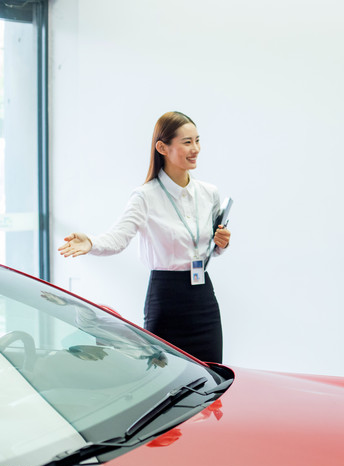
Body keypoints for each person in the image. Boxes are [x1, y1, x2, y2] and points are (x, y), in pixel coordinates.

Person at [58, 111, 231, 363]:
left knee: (213, 375)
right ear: (162, 147)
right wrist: (92, 242)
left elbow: (211, 248)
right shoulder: (145, 196)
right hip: (166, 299)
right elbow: (118, 238)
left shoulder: (209, 193)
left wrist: (222, 243)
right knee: (166, 377)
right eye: (187, 142)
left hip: (203, 297)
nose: (195, 149)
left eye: (197, 140)